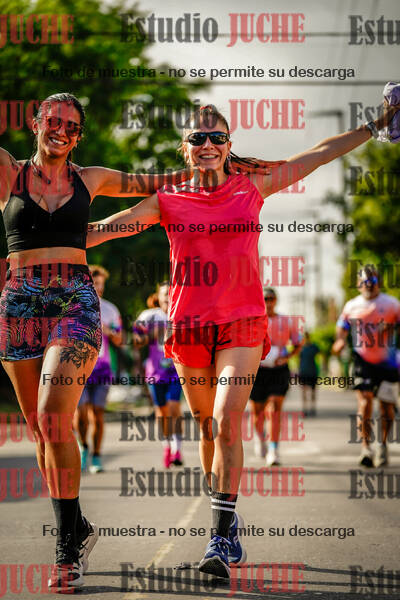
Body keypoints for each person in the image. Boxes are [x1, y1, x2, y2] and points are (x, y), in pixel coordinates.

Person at [86, 98, 400, 578]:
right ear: (185, 148)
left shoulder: (251, 186)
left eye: (217, 137)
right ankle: (227, 520)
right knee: (207, 429)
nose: (208, 144)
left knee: (225, 419)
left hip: (242, 323)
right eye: (198, 138)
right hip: (188, 326)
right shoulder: (168, 198)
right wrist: (35, 238)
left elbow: (319, 154)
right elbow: (106, 229)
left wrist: (376, 124)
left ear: (229, 144)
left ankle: (217, 536)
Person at [0, 92, 195, 593]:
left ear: (79, 135)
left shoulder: (92, 178)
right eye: (52, 121)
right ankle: (78, 526)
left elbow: (153, 182)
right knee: (41, 432)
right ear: (36, 123)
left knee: (52, 417)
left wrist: (211, 162)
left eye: (71, 125)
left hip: (74, 300)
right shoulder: (9, 173)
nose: (61, 130)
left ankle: (66, 547)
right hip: (19, 305)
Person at [333, 266, 400, 468]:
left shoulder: (392, 304)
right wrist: (340, 341)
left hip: (387, 362)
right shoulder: (352, 305)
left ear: (379, 283)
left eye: (372, 282)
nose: (369, 286)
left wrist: (390, 328)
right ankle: (366, 448)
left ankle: (382, 444)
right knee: (365, 402)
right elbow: (342, 327)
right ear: (358, 285)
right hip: (362, 360)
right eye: (364, 282)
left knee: (387, 408)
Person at [74, 265, 122, 474]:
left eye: (101, 284)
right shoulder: (74, 306)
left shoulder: (111, 310)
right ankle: (83, 446)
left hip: (102, 369)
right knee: (81, 413)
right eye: (95, 283)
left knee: (97, 414)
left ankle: (96, 456)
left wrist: (107, 330)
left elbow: (120, 339)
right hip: (78, 368)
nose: (99, 288)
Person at [134, 281, 184, 468]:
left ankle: (177, 448)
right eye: (165, 294)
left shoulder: (182, 314)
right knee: (162, 412)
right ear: (159, 297)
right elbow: (136, 341)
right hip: (155, 372)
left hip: (176, 370)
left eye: (171, 294)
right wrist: (153, 333)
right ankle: (166, 446)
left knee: (174, 406)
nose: (168, 298)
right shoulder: (149, 316)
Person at [249, 288, 301, 466]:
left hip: (279, 370)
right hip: (258, 370)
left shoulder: (286, 321)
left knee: (274, 408)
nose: (268, 302)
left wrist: (286, 357)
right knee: (257, 412)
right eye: (265, 299)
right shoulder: (254, 321)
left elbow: (298, 343)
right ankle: (260, 438)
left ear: (276, 301)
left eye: (271, 298)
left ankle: (273, 449)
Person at [299, 331, 320, 417]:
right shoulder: (301, 348)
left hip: (312, 371)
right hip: (304, 372)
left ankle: (312, 408)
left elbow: (319, 353)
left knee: (313, 392)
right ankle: (305, 409)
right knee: (304, 392)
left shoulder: (313, 347)